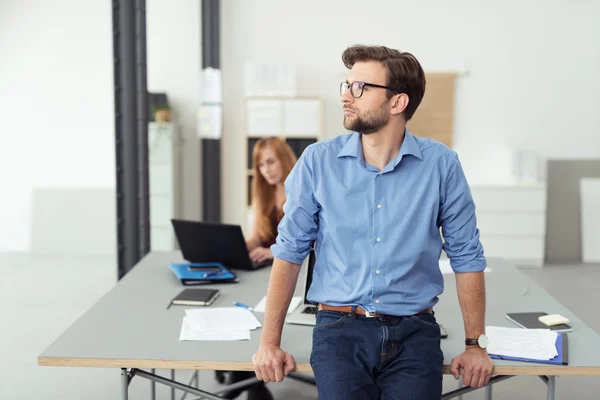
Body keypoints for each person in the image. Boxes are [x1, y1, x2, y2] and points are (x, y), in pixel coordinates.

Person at [252, 45, 494, 400]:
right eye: (346, 86)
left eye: (360, 88)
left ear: (398, 103)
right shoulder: (318, 162)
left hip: (415, 331)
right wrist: (269, 343)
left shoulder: (441, 166)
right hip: (338, 329)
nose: (347, 96)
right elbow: (289, 253)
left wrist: (476, 344)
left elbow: (467, 257)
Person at [218, 136, 297, 400]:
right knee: (244, 317)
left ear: (284, 158)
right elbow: (256, 236)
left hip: (290, 273)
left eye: (271, 162)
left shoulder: (301, 188)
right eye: (261, 165)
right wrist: (236, 245)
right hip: (262, 274)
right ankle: (251, 387)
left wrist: (272, 251)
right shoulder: (263, 193)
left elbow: (310, 245)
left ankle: (240, 387)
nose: (266, 170)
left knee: (260, 320)